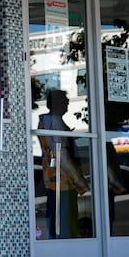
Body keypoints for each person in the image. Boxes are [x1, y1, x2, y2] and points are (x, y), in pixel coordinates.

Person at [37, 88, 88, 239]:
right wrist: (79, 180)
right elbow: (61, 154)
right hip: (63, 181)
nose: (67, 103)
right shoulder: (54, 123)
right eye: (65, 101)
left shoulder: (46, 122)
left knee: (58, 221)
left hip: (55, 180)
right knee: (66, 223)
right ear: (58, 103)